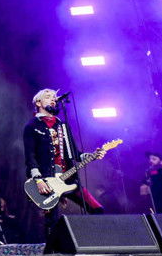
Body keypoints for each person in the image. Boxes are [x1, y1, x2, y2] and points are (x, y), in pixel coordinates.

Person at [23, 88, 104, 236]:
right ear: (38, 102)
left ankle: (96, 243)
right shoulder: (32, 126)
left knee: (98, 210)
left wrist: (92, 155)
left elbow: (75, 153)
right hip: (47, 181)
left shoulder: (62, 125)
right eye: (48, 97)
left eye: (54, 97)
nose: (53, 100)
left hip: (69, 178)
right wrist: (38, 180)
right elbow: (30, 156)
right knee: (51, 222)